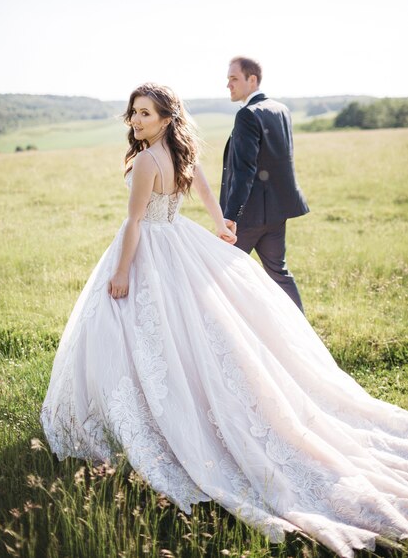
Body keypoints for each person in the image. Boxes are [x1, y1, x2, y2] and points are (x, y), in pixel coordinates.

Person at [41, 83, 408, 558]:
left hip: (152, 247)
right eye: (133, 113)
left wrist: (121, 272)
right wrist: (218, 222)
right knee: (182, 333)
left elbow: (134, 223)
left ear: (167, 118)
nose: (135, 121)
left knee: (139, 331)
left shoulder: (148, 160)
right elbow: (202, 185)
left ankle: (156, 413)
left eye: (145, 114)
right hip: (178, 239)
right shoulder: (176, 151)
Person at [220, 56, 309, 312]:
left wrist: (230, 216)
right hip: (277, 212)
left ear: (252, 79)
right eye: (228, 80)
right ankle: (302, 333)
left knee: (222, 273)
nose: (229, 85)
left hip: (248, 215)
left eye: (234, 79)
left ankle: (227, 336)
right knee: (278, 273)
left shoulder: (247, 115)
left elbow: (244, 171)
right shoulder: (281, 109)